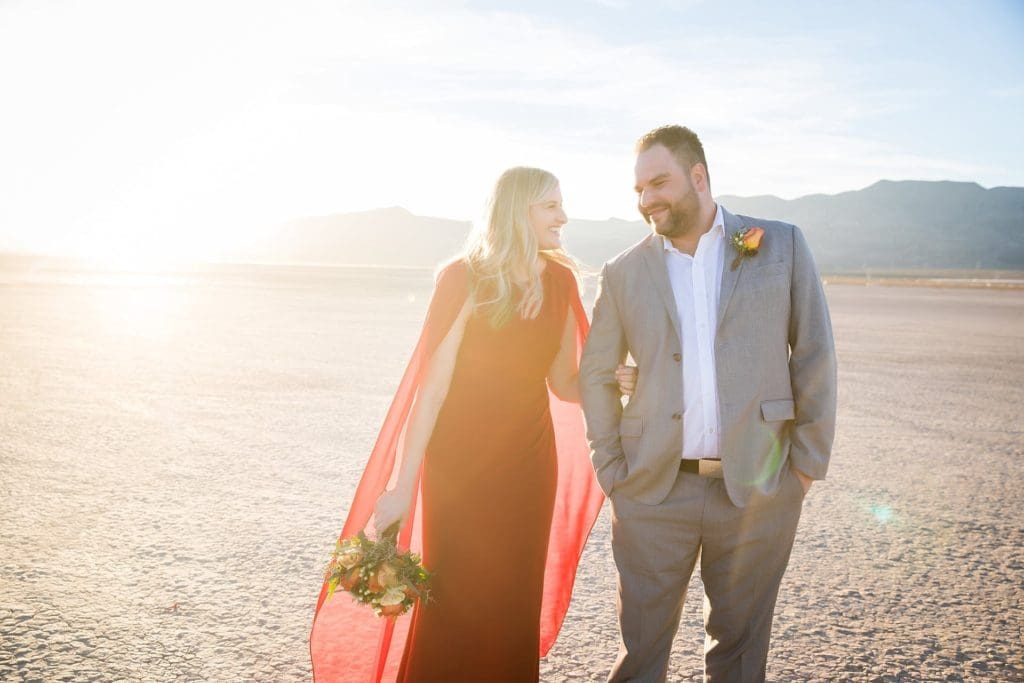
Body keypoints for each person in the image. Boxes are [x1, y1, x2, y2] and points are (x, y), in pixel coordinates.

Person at [309, 167, 635, 682]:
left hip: (529, 467)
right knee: (454, 600)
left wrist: (612, 380)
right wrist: (401, 486)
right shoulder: (463, 277)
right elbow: (432, 390)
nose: (563, 217)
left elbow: (564, 384)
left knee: (513, 599)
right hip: (458, 470)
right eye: (550, 206)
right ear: (518, 211)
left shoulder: (561, 281)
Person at [580, 125, 837, 682]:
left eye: (658, 182)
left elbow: (814, 354)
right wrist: (612, 469)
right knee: (642, 652)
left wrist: (803, 469)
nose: (647, 199)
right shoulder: (623, 272)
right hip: (652, 492)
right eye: (639, 189)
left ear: (698, 176)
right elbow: (597, 374)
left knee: (740, 656)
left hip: (759, 492)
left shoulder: (780, 245)